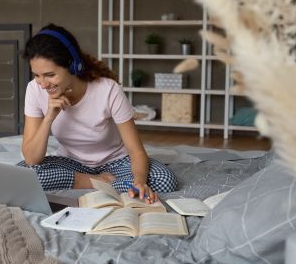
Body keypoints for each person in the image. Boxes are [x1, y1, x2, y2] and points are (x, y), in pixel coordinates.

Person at [18, 23, 177, 203]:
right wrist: (49, 118)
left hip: (116, 162)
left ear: (73, 65)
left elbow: (136, 151)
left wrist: (139, 182)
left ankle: (109, 183)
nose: (43, 84)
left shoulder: (108, 90)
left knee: (164, 180)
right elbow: (31, 159)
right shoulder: (34, 90)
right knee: (24, 174)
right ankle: (96, 183)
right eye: (37, 75)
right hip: (71, 164)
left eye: (50, 75)